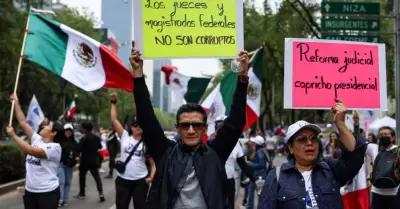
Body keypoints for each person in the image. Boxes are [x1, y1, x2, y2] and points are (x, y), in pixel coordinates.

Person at [130, 40, 249, 209]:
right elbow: (146, 118)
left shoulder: (216, 152)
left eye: (197, 125)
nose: (191, 130)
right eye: (185, 125)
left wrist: (242, 77)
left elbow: (236, 121)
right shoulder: (165, 152)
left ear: (205, 128)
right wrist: (138, 74)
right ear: (177, 128)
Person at [259, 99, 367, 209]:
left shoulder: (330, 169)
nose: (309, 143)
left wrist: (340, 123)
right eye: (302, 139)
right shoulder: (276, 176)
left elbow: (354, 156)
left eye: (313, 138)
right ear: (291, 148)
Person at [7, 94, 63, 209]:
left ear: (53, 133)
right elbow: (23, 123)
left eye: (48, 126)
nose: (44, 126)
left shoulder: (55, 148)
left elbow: (31, 150)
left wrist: (13, 135)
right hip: (30, 191)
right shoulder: (37, 139)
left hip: (47, 193)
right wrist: (16, 103)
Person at [110, 92, 156, 209]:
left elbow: (152, 163)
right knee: (121, 206)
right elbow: (114, 120)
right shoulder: (125, 136)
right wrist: (113, 103)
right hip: (123, 180)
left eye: (140, 124)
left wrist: (151, 176)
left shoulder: (147, 142)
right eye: (135, 124)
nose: (138, 126)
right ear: (131, 127)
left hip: (140, 181)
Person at [209, 116, 256, 209]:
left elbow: (243, 164)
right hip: (214, 183)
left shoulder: (235, 144)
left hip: (229, 182)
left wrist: (255, 180)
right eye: (219, 126)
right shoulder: (209, 144)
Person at [75, 122, 105, 202]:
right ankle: (101, 193)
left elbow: (79, 148)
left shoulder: (84, 138)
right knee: (97, 177)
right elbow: (100, 146)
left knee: (82, 177)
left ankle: (82, 193)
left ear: (84, 129)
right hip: (94, 160)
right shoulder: (96, 137)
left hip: (84, 160)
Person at [370, 126, 399, 209]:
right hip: (376, 192)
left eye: (385, 134)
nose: (382, 136)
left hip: (394, 193)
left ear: (393, 137)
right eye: (381, 135)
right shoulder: (376, 149)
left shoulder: (398, 151)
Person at [58, 123, 79, 207]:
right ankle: (60, 200)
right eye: (67, 130)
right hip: (60, 163)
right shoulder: (59, 141)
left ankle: (65, 199)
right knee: (61, 182)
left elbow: (77, 154)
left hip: (69, 165)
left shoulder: (74, 142)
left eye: (70, 131)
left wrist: (76, 158)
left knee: (68, 182)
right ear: (64, 131)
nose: (68, 132)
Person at [246, 129, 267, 209]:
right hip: (256, 176)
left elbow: (261, 164)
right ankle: (249, 206)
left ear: (257, 143)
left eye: (255, 142)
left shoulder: (260, 152)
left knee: (259, 193)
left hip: (260, 177)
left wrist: (249, 164)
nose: (253, 143)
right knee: (251, 190)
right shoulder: (259, 150)